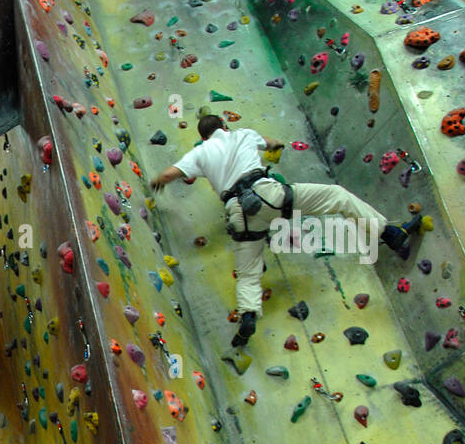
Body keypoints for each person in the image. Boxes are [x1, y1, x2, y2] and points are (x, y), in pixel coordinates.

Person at [150, 115, 422, 347]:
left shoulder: (200, 152)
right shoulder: (242, 134)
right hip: (269, 195)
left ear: (204, 136)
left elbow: (168, 175)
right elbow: (271, 143)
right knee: (337, 197)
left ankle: (247, 318)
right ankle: (389, 233)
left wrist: (157, 182)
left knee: (248, 273)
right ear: (223, 125)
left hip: (239, 213)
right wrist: (277, 144)